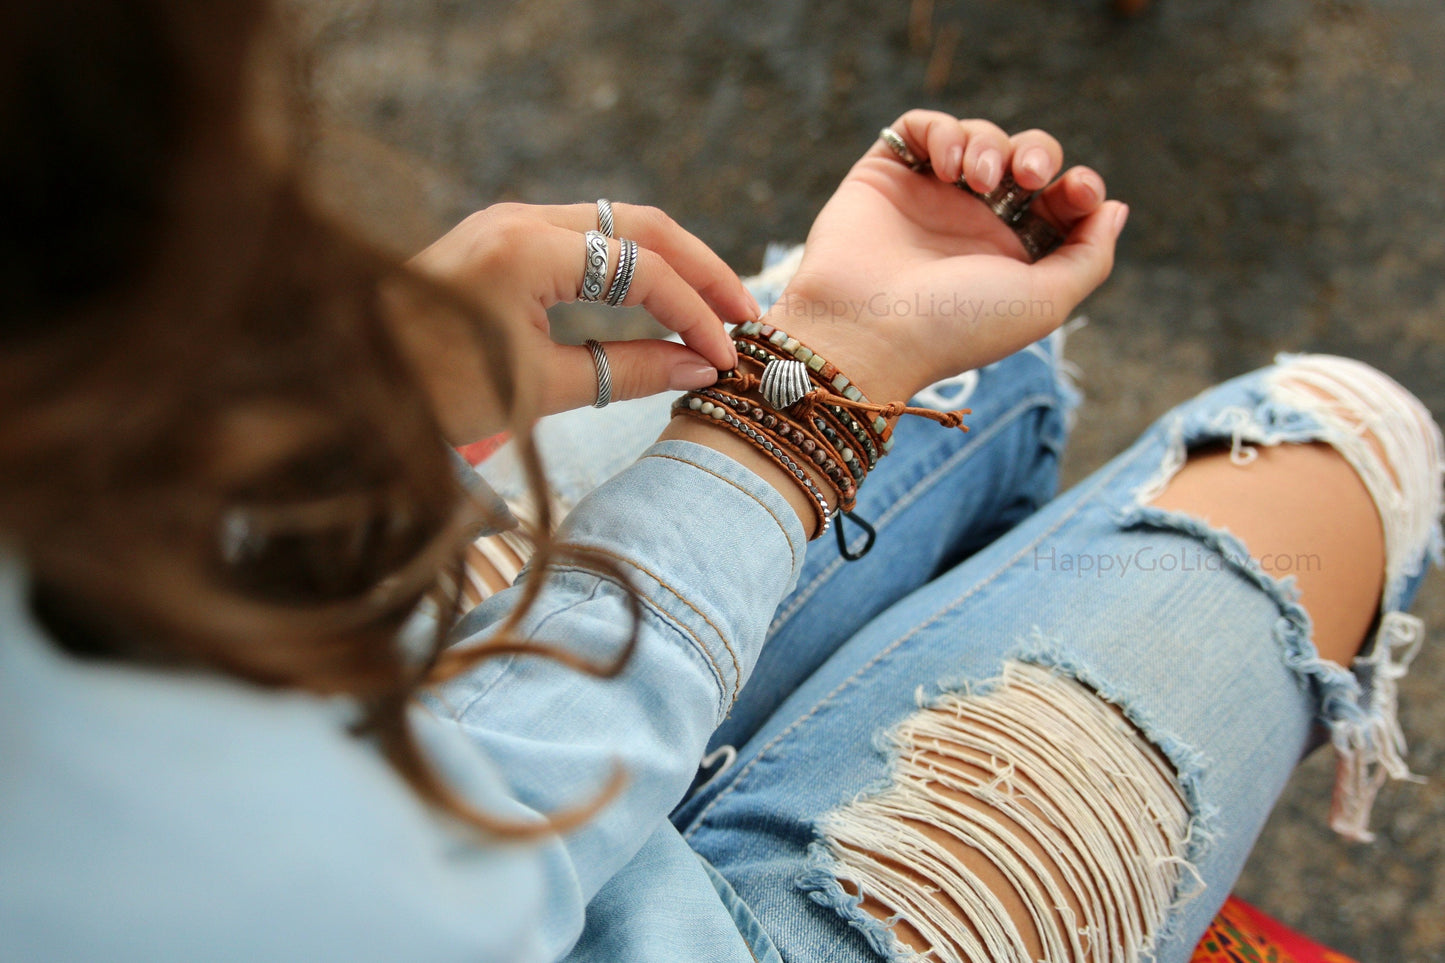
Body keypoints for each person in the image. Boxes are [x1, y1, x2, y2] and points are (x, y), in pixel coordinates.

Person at [1, 2, 1439, 963]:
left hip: (383, 739)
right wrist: (794, 420)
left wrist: (356, 395)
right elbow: (458, 852)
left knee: (983, 367)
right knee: (1331, 432)